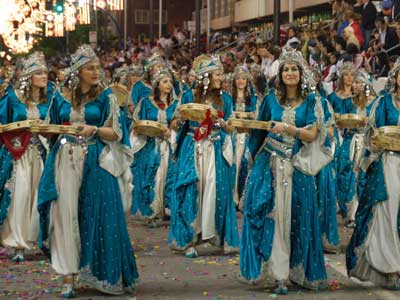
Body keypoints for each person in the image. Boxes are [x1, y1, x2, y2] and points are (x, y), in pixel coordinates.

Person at [37, 44, 138, 298]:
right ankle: (68, 276)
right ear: (77, 71)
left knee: (98, 213)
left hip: (96, 161)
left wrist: (93, 130)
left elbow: (116, 132)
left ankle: (103, 273)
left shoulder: (107, 96)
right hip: (64, 160)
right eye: (90, 68)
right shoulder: (60, 96)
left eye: (97, 67)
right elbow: (52, 127)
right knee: (65, 216)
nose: (96, 72)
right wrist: (41, 129)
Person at [240, 50, 330, 294]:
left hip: (298, 166)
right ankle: (278, 274)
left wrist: (288, 128)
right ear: (279, 74)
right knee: (272, 216)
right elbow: (259, 129)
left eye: (294, 69)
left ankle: (295, 271)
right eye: (286, 69)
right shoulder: (270, 100)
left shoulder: (312, 101)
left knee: (298, 218)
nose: (290, 73)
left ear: (301, 74)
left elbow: (312, 134)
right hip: (269, 165)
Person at [169, 54, 239, 258]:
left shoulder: (225, 98)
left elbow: (230, 125)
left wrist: (223, 123)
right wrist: (180, 120)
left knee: (216, 190)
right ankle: (188, 239)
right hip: (193, 147)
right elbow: (174, 122)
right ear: (206, 76)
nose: (221, 77)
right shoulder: (189, 97)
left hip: (215, 147)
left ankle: (215, 236)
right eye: (217, 73)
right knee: (191, 188)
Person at [346, 58, 400, 290]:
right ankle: (392, 265)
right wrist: (378, 142)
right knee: (388, 211)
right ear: (395, 77)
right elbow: (372, 134)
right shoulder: (384, 102)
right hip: (389, 162)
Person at [0, 52, 54, 263]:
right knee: (19, 197)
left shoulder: (48, 100)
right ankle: (16, 242)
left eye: (46, 72)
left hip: (40, 152)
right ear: (29, 76)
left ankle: (36, 239)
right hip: (17, 154)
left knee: (37, 196)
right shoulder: (12, 97)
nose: (44, 76)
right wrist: (18, 130)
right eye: (39, 73)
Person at [130, 68, 179, 227]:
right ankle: (152, 211)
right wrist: (150, 131)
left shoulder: (176, 104)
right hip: (151, 145)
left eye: (170, 82)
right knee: (153, 175)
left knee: (169, 175)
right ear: (157, 85)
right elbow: (138, 124)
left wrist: (172, 128)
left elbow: (179, 124)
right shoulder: (146, 102)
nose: (169, 85)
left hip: (169, 144)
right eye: (165, 82)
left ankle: (167, 210)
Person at [230, 66, 258, 208]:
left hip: (246, 135)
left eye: (243, 78)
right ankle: (230, 197)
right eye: (238, 78)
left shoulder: (252, 99)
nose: (241, 81)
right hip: (232, 136)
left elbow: (256, 120)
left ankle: (241, 197)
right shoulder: (229, 97)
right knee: (232, 163)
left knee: (244, 163)